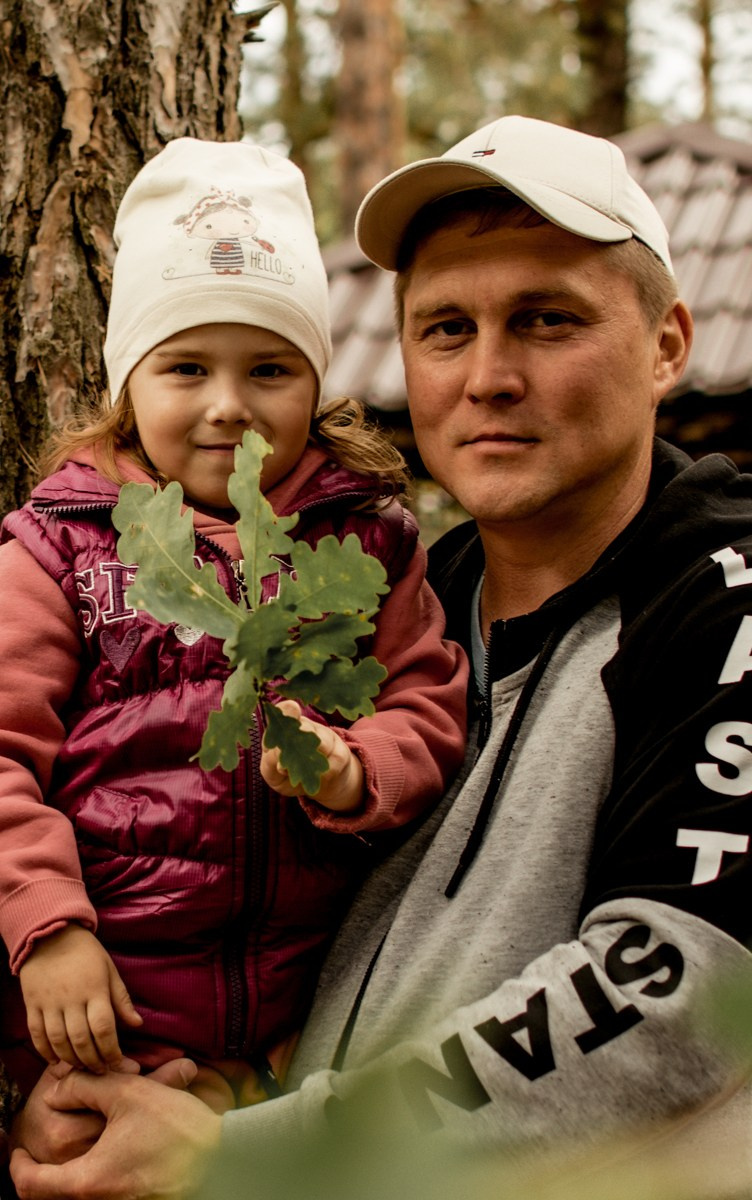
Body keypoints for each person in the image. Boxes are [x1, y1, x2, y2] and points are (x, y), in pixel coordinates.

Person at [11, 114, 752, 1199]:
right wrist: (178, 1089)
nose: (488, 375)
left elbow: (675, 1001)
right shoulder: (394, 601)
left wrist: (259, 1151)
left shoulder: (717, 608)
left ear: (666, 345)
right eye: (446, 328)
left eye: (546, 321)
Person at [0, 138, 468, 1125]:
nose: (227, 406)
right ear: (129, 381)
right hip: (106, 1008)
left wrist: (354, 768)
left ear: (314, 382)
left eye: (267, 368)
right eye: (184, 368)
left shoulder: (368, 541)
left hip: (308, 1025)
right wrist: (46, 928)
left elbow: (427, 704)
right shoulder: (58, 551)